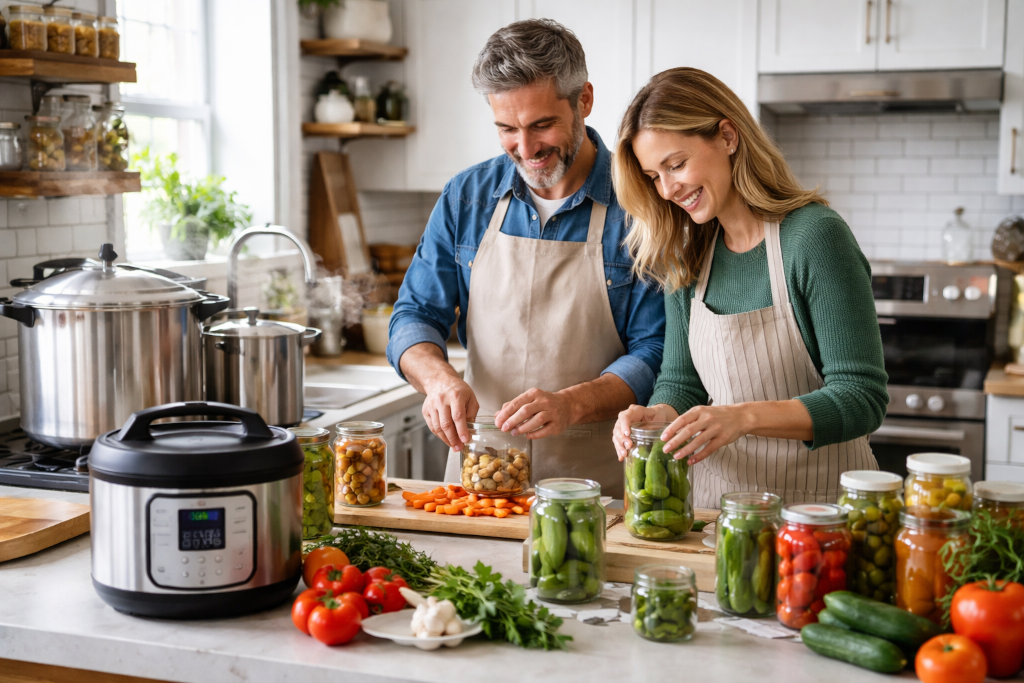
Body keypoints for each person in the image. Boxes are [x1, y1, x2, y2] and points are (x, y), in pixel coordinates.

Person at [387, 19, 665, 496]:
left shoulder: (639, 204)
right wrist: (438, 380)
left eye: (542, 125)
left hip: (597, 486)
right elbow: (414, 314)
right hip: (480, 479)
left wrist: (573, 403)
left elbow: (657, 351)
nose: (526, 147)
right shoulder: (467, 197)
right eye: (506, 129)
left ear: (584, 101)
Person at [611, 68, 888, 507]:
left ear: (727, 136)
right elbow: (681, 384)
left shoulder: (815, 237)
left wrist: (742, 417)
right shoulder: (687, 257)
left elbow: (862, 398)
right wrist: (657, 415)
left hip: (819, 515)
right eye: (653, 177)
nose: (667, 189)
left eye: (676, 164)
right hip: (714, 512)